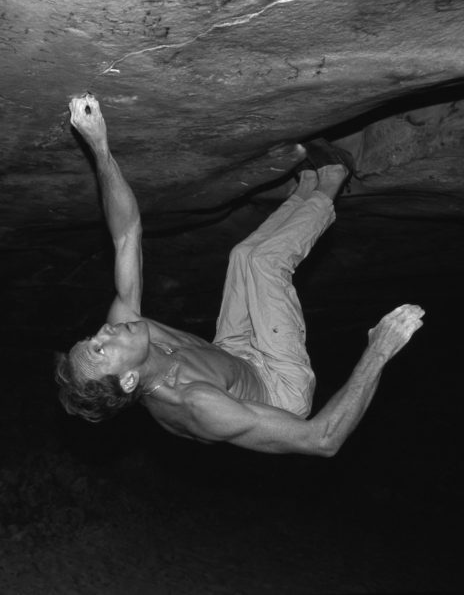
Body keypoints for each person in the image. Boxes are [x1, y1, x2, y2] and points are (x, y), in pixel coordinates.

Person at [56, 92, 425, 456]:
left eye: (92, 337)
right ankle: (333, 176)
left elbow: (125, 234)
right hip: (278, 387)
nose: (104, 330)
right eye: (101, 348)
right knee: (266, 266)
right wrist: (380, 349)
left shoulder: (125, 327)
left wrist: (99, 148)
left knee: (244, 256)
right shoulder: (196, 405)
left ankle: (307, 188)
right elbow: (322, 440)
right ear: (129, 379)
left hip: (232, 353)